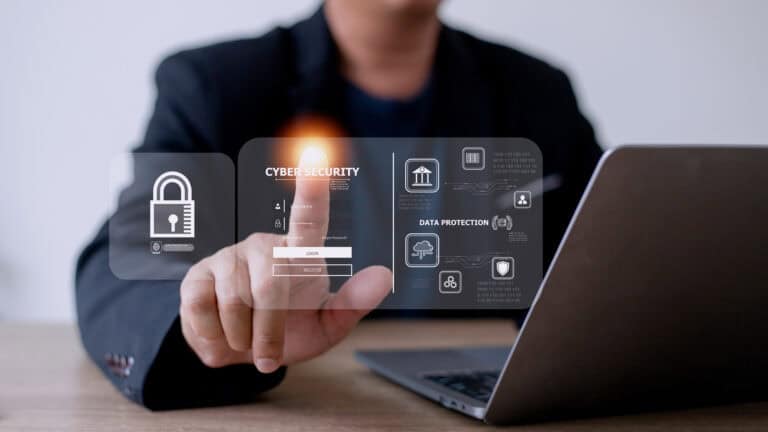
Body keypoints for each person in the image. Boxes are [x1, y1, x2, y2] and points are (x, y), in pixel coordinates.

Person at [76, 0, 602, 410]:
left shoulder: (537, 94)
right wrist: (203, 312)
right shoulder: (215, 86)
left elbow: (612, 258)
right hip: (303, 402)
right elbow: (120, 266)